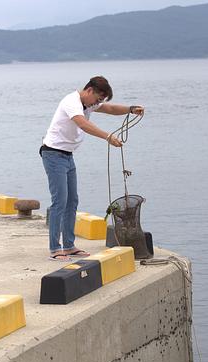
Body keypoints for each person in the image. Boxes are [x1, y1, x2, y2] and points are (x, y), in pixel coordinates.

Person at [40, 76, 144, 261]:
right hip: (53, 154)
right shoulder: (71, 101)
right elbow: (83, 123)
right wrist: (107, 137)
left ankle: (69, 246)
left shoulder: (88, 103)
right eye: (97, 99)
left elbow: (110, 108)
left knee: (72, 201)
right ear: (89, 90)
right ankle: (55, 249)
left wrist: (130, 109)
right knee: (60, 202)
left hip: (67, 155)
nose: (98, 103)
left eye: (100, 101)